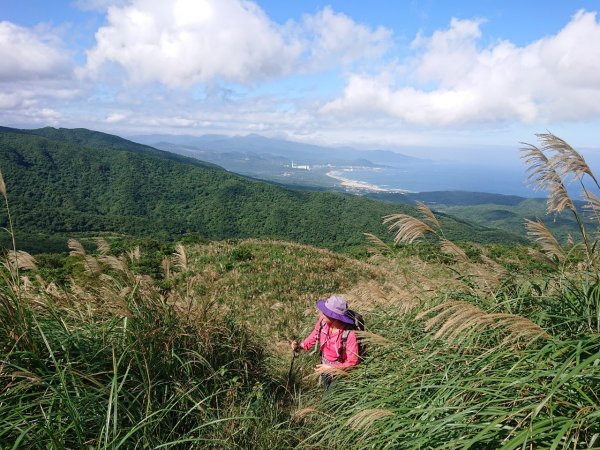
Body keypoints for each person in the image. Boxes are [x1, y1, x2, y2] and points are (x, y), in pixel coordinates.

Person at [291, 295, 359, 390]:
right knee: (326, 387)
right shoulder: (323, 322)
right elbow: (314, 335)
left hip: (339, 374)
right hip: (324, 367)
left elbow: (352, 362)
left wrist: (331, 368)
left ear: (334, 317)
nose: (321, 315)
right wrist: (300, 346)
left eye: (325, 313)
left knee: (330, 400)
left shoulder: (349, 334)